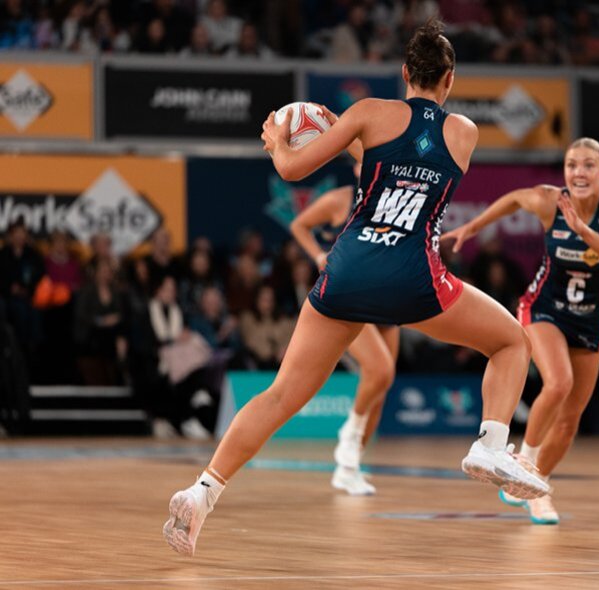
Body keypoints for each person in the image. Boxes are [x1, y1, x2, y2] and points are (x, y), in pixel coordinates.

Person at [164, 19, 548, 557]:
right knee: (511, 342)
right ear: (450, 79)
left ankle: (202, 492)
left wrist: (278, 141)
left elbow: (298, 168)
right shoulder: (465, 133)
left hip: (348, 272)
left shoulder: (369, 113)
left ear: (404, 72)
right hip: (414, 278)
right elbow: (409, 167)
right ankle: (490, 443)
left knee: (279, 396)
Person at [442, 137, 599, 524]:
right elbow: (513, 200)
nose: (578, 172)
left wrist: (584, 231)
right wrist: (474, 227)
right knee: (558, 382)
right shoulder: (549, 200)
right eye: (571, 165)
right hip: (543, 308)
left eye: (588, 165)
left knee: (570, 420)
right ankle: (523, 463)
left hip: (588, 318)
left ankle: (535, 486)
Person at [290, 168, 399, 496]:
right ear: (356, 167)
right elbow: (299, 225)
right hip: (348, 296)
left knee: (381, 386)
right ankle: (348, 437)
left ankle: (349, 467)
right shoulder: (340, 200)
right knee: (380, 369)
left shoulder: (395, 199)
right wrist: (319, 255)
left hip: (387, 297)